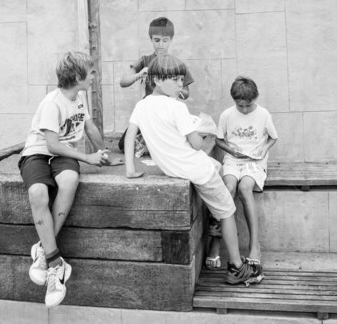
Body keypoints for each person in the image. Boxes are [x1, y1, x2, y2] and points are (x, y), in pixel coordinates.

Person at [125, 55, 264, 286]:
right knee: (228, 212)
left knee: (218, 166)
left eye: (181, 78)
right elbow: (197, 145)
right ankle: (237, 268)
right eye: (176, 79)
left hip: (174, 168)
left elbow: (130, 136)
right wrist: (199, 132)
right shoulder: (177, 106)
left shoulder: (141, 106)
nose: (181, 84)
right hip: (196, 170)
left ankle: (214, 213)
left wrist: (130, 169)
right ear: (158, 80)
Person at [18, 51, 112, 308]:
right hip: (39, 153)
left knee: (69, 180)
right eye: (90, 72)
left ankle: (43, 249)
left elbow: (89, 127)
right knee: (37, 192)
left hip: (63, 155)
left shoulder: (79, 97)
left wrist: (103, 153)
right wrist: (87, 158)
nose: (94, 75)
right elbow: (51, 144)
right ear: (78, 76)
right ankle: (54, 263)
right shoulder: (53, 102)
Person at [207, 76, 278, 269]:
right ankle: (215, 243)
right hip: (233, 160)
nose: (245, 109)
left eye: (249, 105)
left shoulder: (263, 114)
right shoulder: (227, 115)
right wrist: (231, 151)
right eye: (241, 106)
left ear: (256, 98)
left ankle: (254, 246)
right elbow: (219, 140)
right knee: (228, 187)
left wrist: (264, 150)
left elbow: (273, 137)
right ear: (234, 101)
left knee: (245, 188)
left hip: (254, 161)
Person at [118, 17, 194, 154]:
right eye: (157, 40)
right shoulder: (145, 60)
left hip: (167, 114)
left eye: (165, 41)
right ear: (151, 39)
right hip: (149, 113)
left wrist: (173, 87)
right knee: (123, 145)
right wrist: (140, 73)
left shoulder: (177, 64)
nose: (161, 45)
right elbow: (123, 82)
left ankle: (154, 145)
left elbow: (186, 93)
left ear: (171, 40)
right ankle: (151, 144)